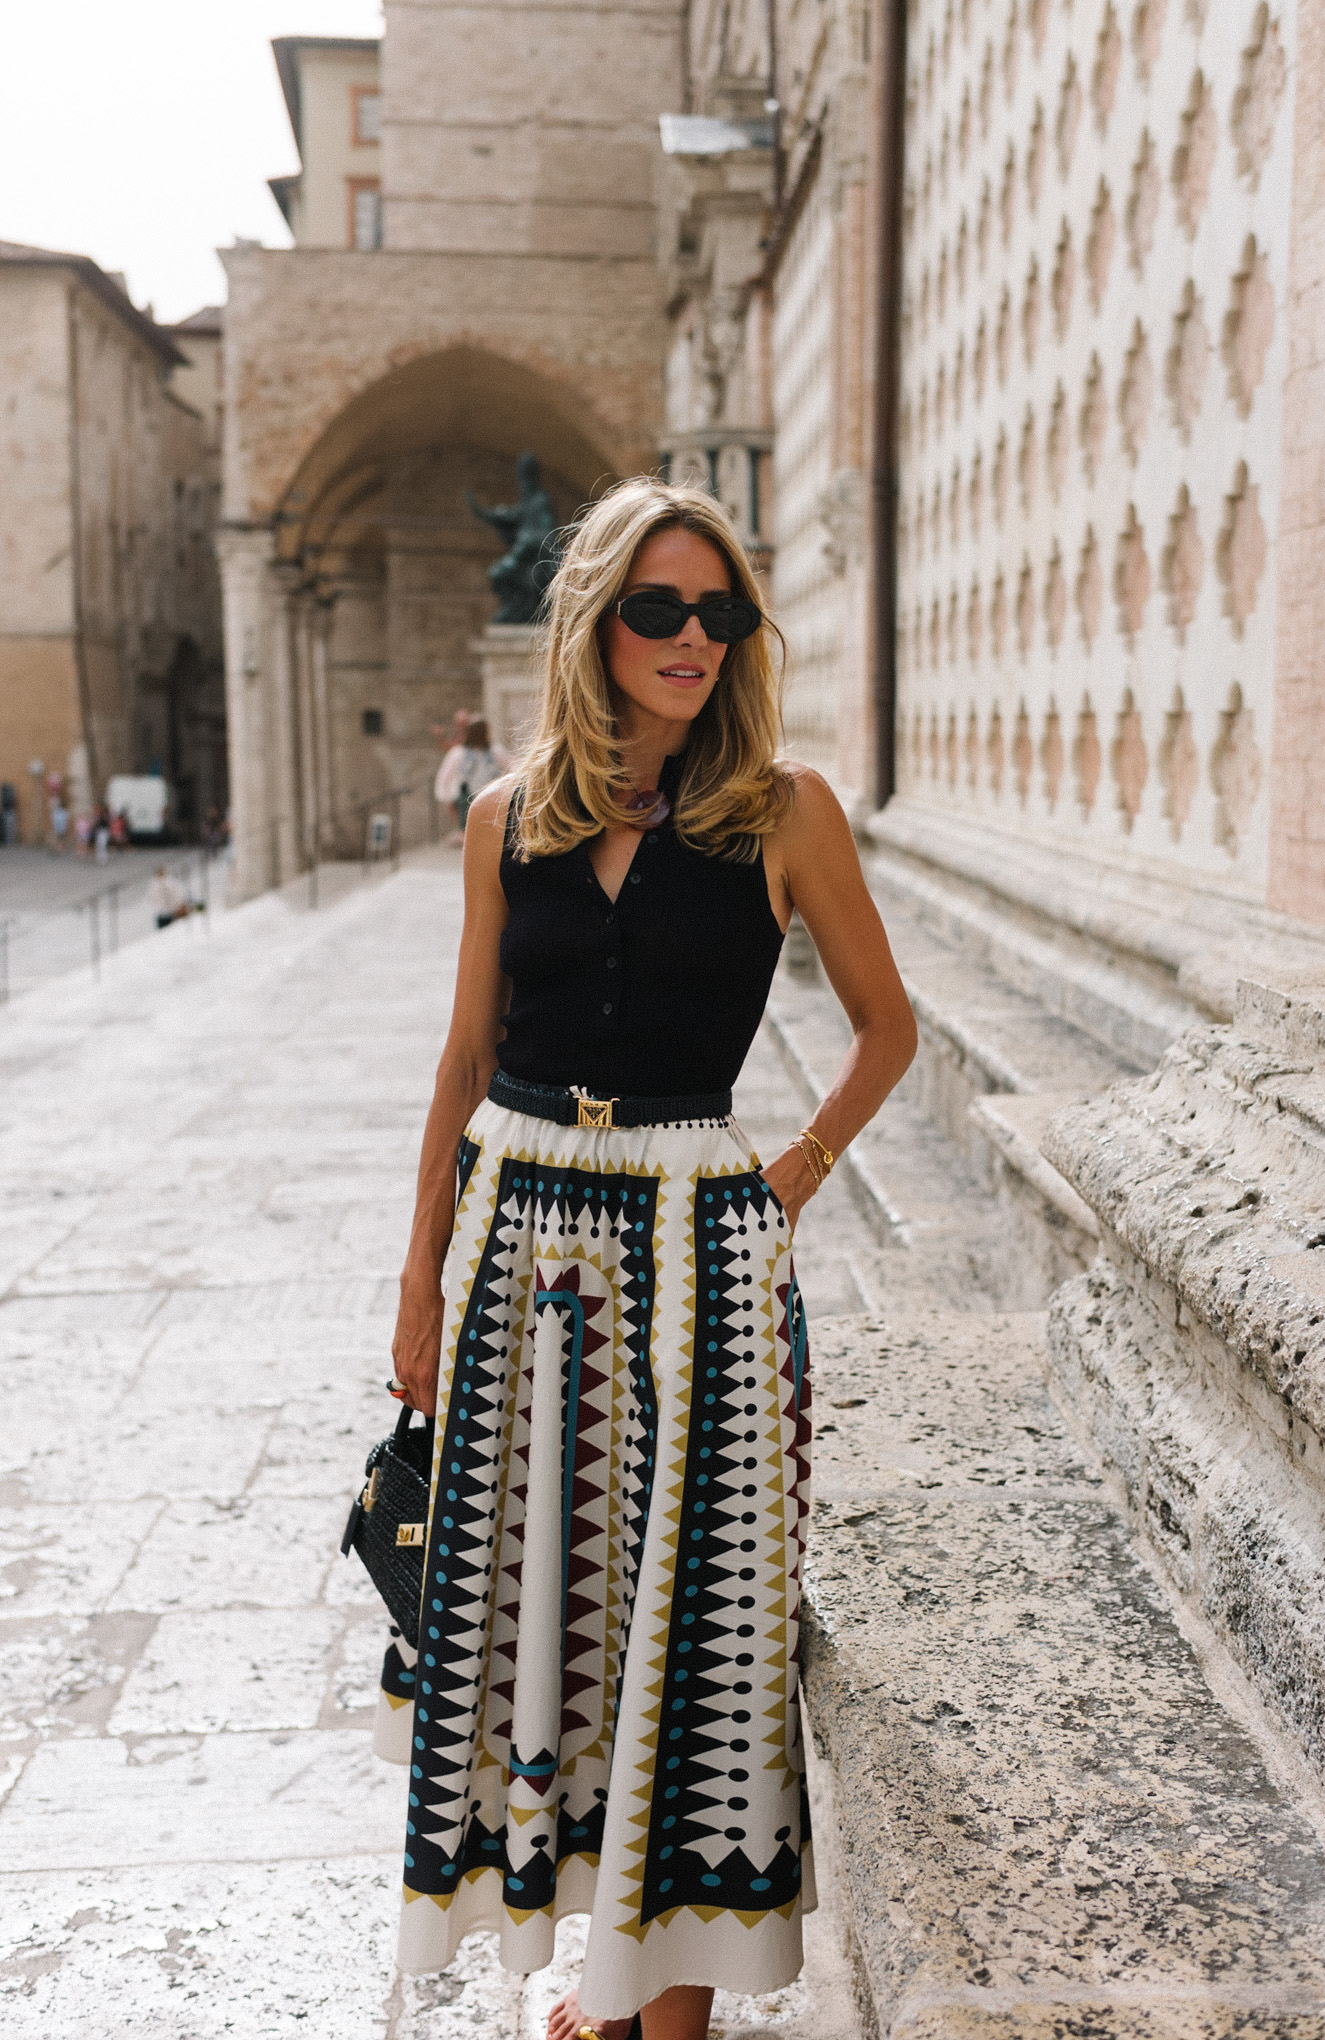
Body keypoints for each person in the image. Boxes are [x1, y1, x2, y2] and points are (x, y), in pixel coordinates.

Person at [383, 479, 916, 2040]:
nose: (692, 639)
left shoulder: (783, 807)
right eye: (659, 610)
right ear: (599, 620)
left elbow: (889, 1031)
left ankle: (655, 2014)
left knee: (694, 1627)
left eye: (719, 614)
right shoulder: (510, 818)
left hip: (701, 1243)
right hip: (522, 1246)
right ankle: (593, 1981)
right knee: (539, 1617)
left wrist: (793, 1178)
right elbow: (465, 1055)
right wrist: (417, 1279)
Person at [434, 715, 511, 837]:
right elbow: (444, 778)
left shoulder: (495, 751)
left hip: (490, 799)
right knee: (470, 834)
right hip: (468, 799)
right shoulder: (458, 753)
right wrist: (448, 799)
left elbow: (513, 766)